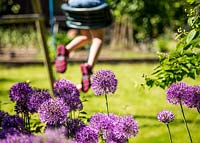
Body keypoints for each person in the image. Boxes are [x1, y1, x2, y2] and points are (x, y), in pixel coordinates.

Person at [55, 0, 106, 92]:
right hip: (93, 4)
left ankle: (66, 50)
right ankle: (88, 67)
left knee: (87, 36)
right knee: (98, 37)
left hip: (75, 4)